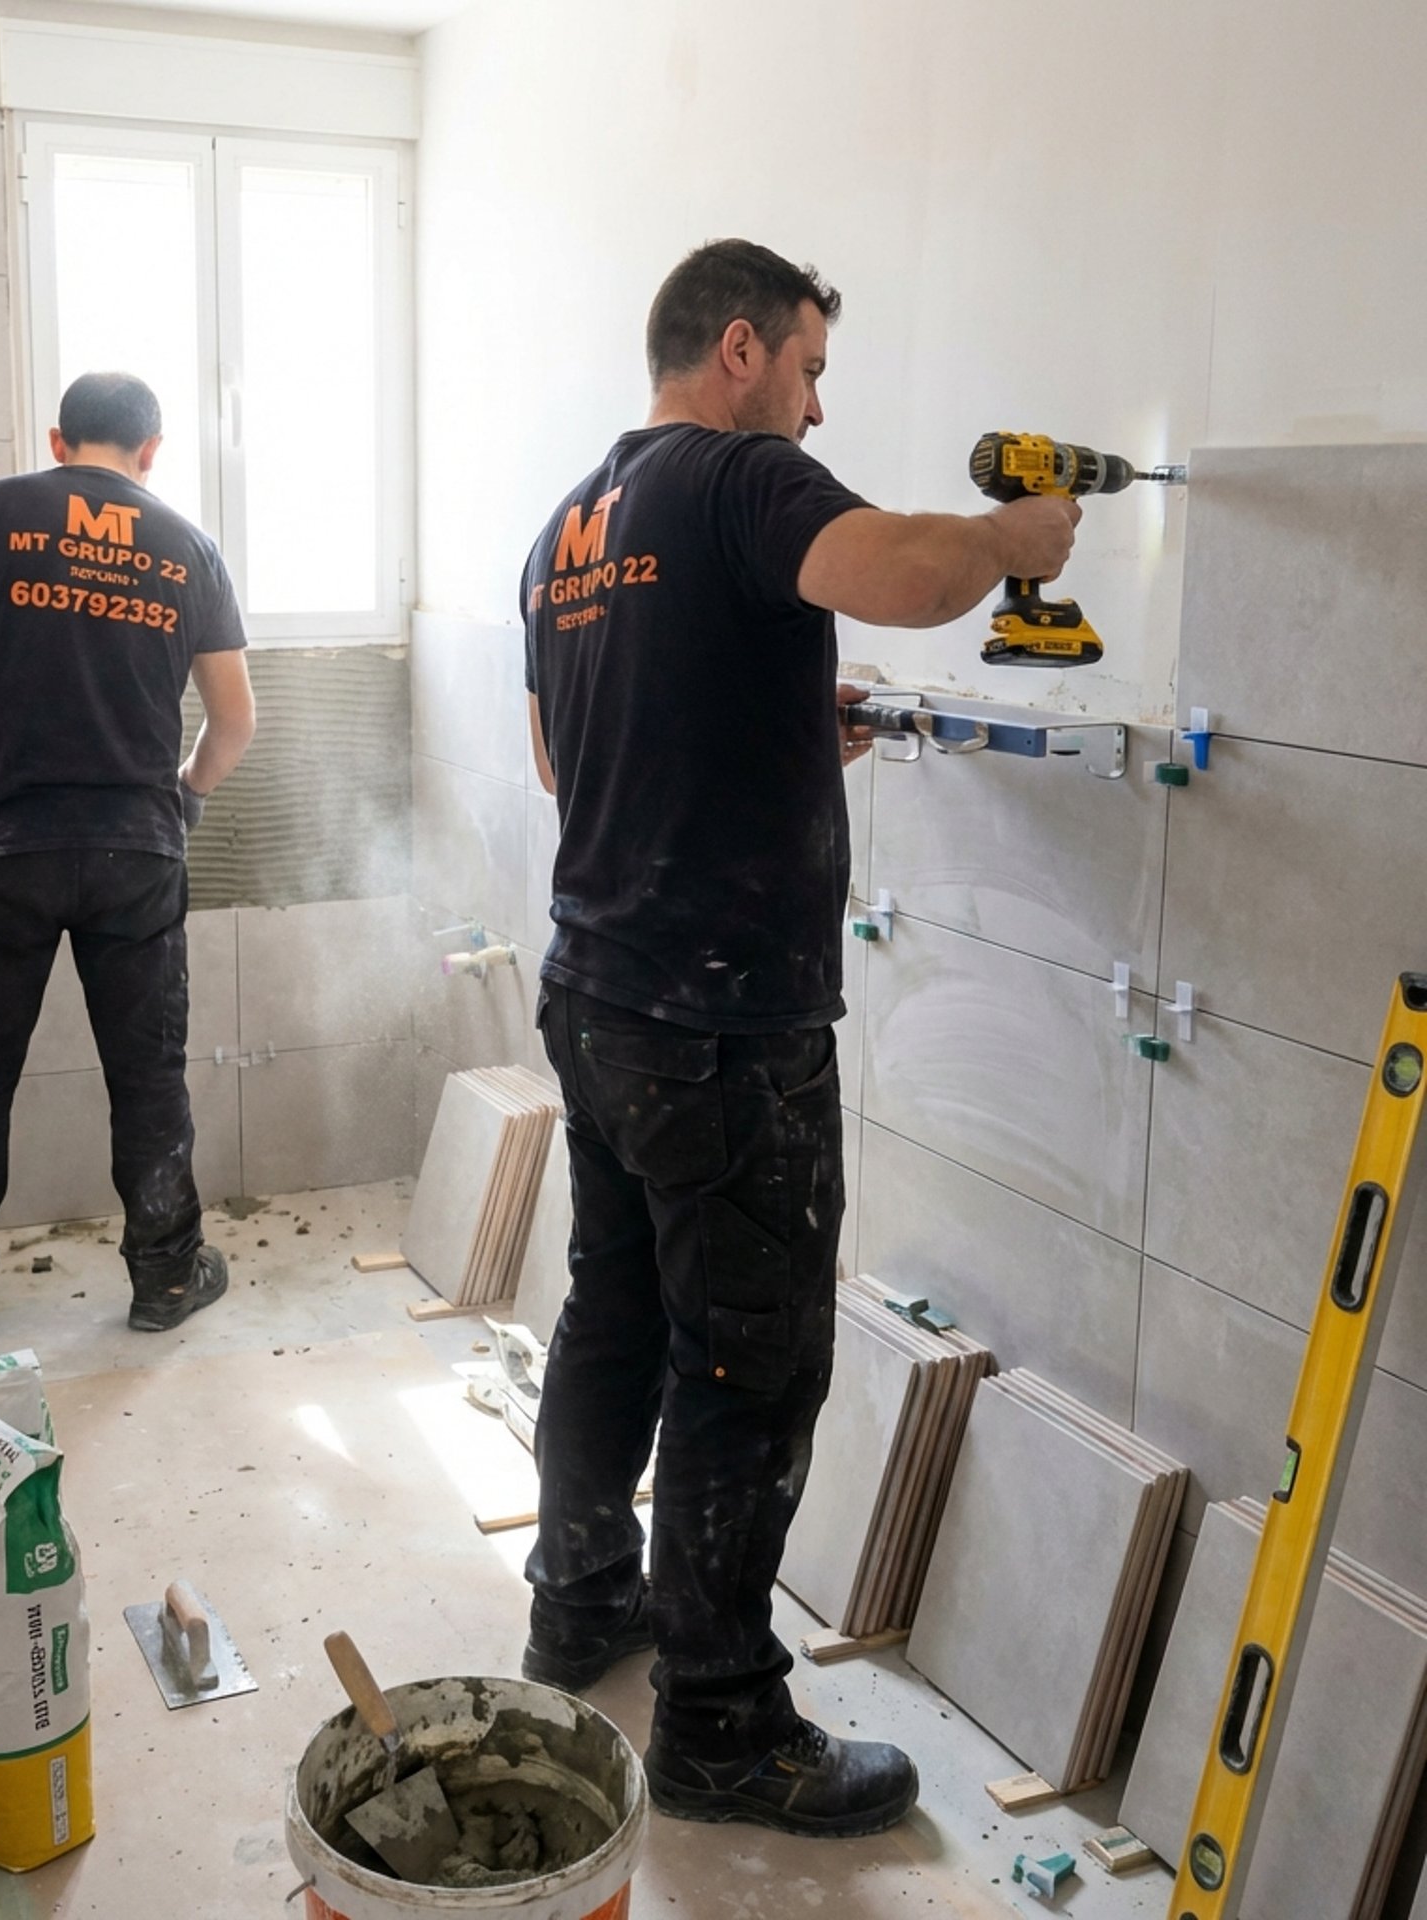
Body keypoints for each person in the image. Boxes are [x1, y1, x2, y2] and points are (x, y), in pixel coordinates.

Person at [517, 240, 1079, 1836]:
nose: (819, 406)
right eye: (816, 370)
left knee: (616, 1311)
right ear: (744, 347)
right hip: (720, 1021)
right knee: (748, 1363)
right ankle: (720, 1726)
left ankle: (579, 1605)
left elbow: (576, 761)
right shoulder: (739, 475)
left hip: (601, 992)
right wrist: (1007, 537)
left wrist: (781, 719)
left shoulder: (573, 524)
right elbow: (902, 572)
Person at [0, 370, 256, 1351]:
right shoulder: (188, 545)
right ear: (152, 450)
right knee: (147, 1080)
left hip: (4, 844)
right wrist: (182, 796)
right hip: (136, 849)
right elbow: (235, 721)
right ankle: (166, 1280)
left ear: (58, 440)